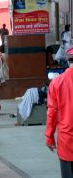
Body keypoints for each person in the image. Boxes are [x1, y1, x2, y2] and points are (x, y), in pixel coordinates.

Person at [45, 47, 73, 178]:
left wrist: (49, 136)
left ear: (68, 61)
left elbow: (52, 112)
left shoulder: (56, 82)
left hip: (66, 139)